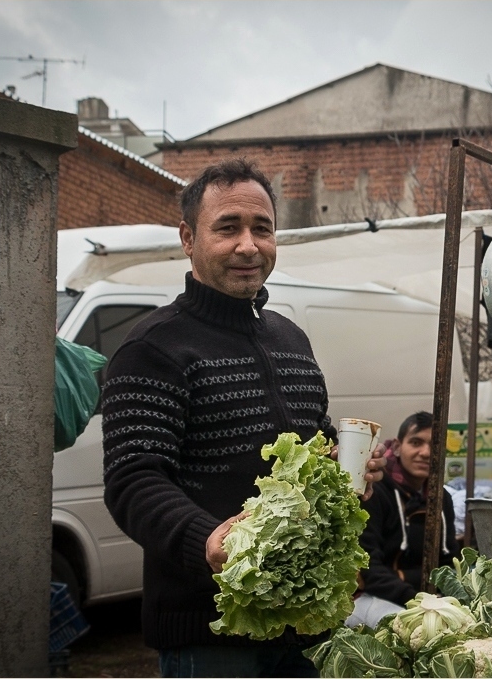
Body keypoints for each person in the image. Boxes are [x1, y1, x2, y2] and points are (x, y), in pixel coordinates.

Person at [101, 158, 384, 678]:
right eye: (227, 228)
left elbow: (312, 442)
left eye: (262, 228)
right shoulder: (153, 347)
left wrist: (350, 473)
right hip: (211, 634)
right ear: (188, 238)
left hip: (307, 627)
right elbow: (132, 479)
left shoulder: (290, 338)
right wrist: (206, 539)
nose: (248, 245)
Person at [347, 411, 460, 628]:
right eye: (416, 442)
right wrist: (420, 600)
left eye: (435, 444)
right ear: (398, 447)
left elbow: (449, 563)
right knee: (419, 631)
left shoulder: (441, 497)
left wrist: (406, 577)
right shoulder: (373, 492)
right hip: (371, 597)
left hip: (423, 599)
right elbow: (369, 569)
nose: (426, 452)